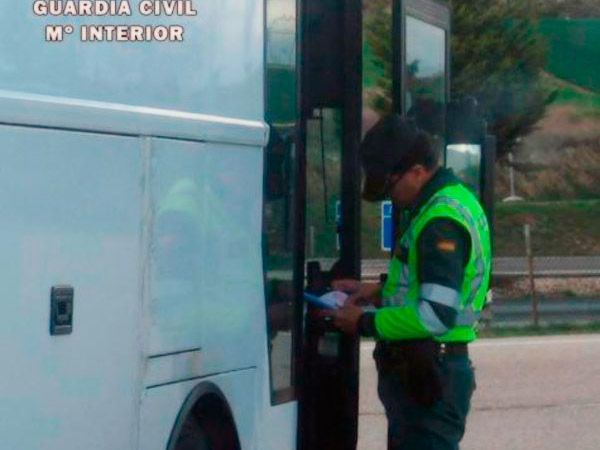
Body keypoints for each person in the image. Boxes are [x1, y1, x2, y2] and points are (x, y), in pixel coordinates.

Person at [328, 114, 492, 449]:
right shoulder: (452, 200)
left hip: (430, 370)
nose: (390, 197)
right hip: (434, 367)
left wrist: (364, 322)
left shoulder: (439, 222)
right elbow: (428, 282)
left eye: (390, 186)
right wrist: (377, 291)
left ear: (417, 171)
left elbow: (435, 314)